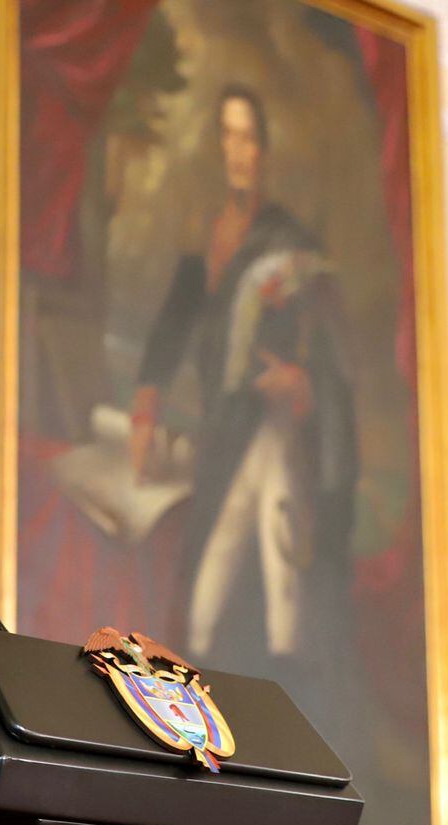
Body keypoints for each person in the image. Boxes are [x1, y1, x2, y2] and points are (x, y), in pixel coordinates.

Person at [128, 83, 356, 668]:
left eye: (248, 137)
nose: (237, 150)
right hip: (225, 424)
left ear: (263, 151)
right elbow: (173, 328)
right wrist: (146, 407)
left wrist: (302, 386)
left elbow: (329, 350)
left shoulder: (288, 239)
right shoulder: (203, 238)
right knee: (224, 536)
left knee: (262, 540)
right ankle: (215, 661)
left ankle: (267, 665)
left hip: (276, 421)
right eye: (227, 136)